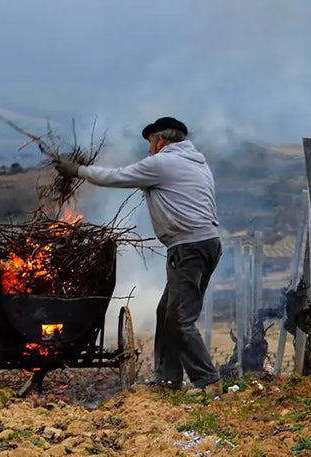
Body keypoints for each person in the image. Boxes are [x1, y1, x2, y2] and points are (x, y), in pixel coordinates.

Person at [52, 116, 222, 391]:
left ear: (161, 140)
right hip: (207, 244)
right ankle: (168, 379)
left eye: (150, 142)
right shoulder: (197, 163)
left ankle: (208, 381)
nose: (149, 149)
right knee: (166, 313)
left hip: (188, 248)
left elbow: (117, 177)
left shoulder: (163, 163)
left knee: (180, 318)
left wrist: (78, 171)